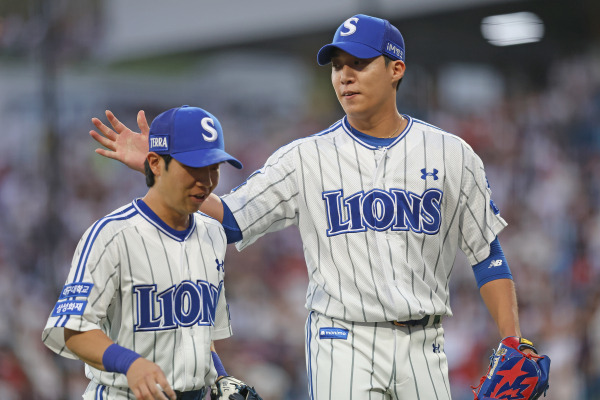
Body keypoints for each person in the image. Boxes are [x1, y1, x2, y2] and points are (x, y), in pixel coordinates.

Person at [89, 15, 547, 400]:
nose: (344, 75)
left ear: (396, 69)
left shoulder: (452, 154)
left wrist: (510, 338)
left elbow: (487, 255)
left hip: (424, 341)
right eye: (337, 66)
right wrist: (163, 170)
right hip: (341, 338)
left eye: (360, 64)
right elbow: (231, 219)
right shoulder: (304, 157)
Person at [43, 105, 260, 400]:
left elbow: (199, 332)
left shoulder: (213, 233)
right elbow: (74, 330)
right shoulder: (112, 235)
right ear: (155, 164)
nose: (206, 181)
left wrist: (221, 377)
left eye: (214, 168)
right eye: (194, 168)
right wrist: (129, 363)